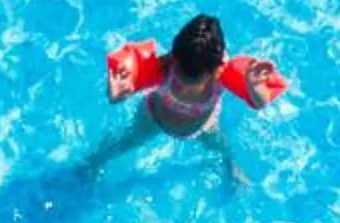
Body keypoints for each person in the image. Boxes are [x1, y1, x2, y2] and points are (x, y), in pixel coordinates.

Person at [86, 12, 286, 181]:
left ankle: (232, 167)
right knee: (125, 141)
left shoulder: (223, 77)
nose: (182, 85)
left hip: (202, 126)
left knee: (222, 147)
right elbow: (116, 98)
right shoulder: (163, 68)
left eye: (192, 80)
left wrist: (255, 86)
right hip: (153, 118)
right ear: (173, 57)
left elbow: (260, 103)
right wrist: (115, 93)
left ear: (216, 71)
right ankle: (94, 161)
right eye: (180, 75)